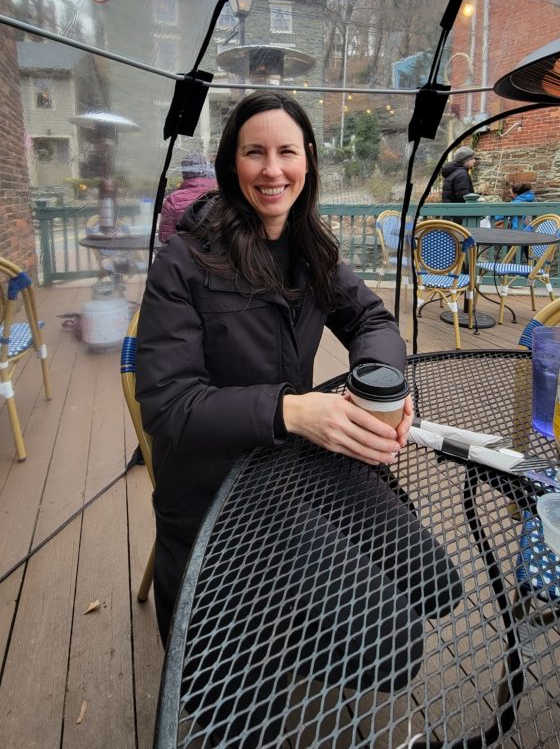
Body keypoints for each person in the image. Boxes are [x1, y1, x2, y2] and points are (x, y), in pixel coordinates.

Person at [136, 91, 462, 742]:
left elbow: (370, 319)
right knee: (392, 644)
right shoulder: (183, 263)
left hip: (295, 458)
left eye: (287, 151)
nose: (272, 169)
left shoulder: (312, 249)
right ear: (233, 162)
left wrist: (386, 389)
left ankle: (304, 614)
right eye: (254, 152)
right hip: (212, 485)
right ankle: (264, 640)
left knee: (437, 584)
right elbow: (168, 406)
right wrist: (292, 411)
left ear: (308, 161)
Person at [158, 153, 216, 242]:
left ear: (183, 172)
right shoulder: (217, 195)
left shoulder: (173, 200)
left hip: (181, 254)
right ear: (205, 170)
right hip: (213, 254)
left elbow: (165, 238)